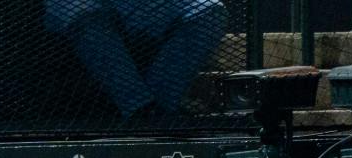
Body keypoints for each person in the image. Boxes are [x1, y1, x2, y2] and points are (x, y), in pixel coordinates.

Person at [46, 0, 228, 119]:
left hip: (143, 7)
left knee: (209, 9)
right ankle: (140, 109)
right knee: (77, 9)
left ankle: (159, 112)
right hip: (89, 10)